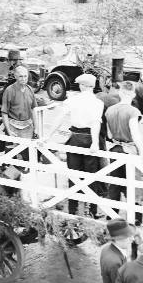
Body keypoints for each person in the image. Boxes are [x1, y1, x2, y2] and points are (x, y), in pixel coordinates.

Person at [46, 73, 104, 218]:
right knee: (91, 177)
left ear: (83, 86)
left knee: (73, 176)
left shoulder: (73, 100)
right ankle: (91, 211)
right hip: (89, 140)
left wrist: (47, 136)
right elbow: (95, 123)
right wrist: (96, 143)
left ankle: (73, 209)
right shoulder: (98, 103)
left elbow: (59, 118)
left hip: (74, 139)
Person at [105, 81, 143, 226]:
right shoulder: (133, 111)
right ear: (132, 94)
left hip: (114, 150)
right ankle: (135, 222)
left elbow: (108, 134)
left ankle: (111, 219)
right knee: (133, 187)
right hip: (129, 152)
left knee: (114, 185)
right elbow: (135, 134)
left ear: (120, 93)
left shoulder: (109, 110)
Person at [100, 219, 136, 283]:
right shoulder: (114, 262)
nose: (132, 239)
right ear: (119, 239)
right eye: (129, 237)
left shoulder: (107, 249)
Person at [1, 66, 38, 165]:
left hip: (28, 128)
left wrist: (36, 128)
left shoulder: (30, 89)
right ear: (15, 76)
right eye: (21, 76)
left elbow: (34, 109)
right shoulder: (9, 90)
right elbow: (4, 113)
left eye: (25, 76)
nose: (23, 79)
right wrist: (9, 130)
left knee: (28, 158)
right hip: (14, 128)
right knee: (10, 158)